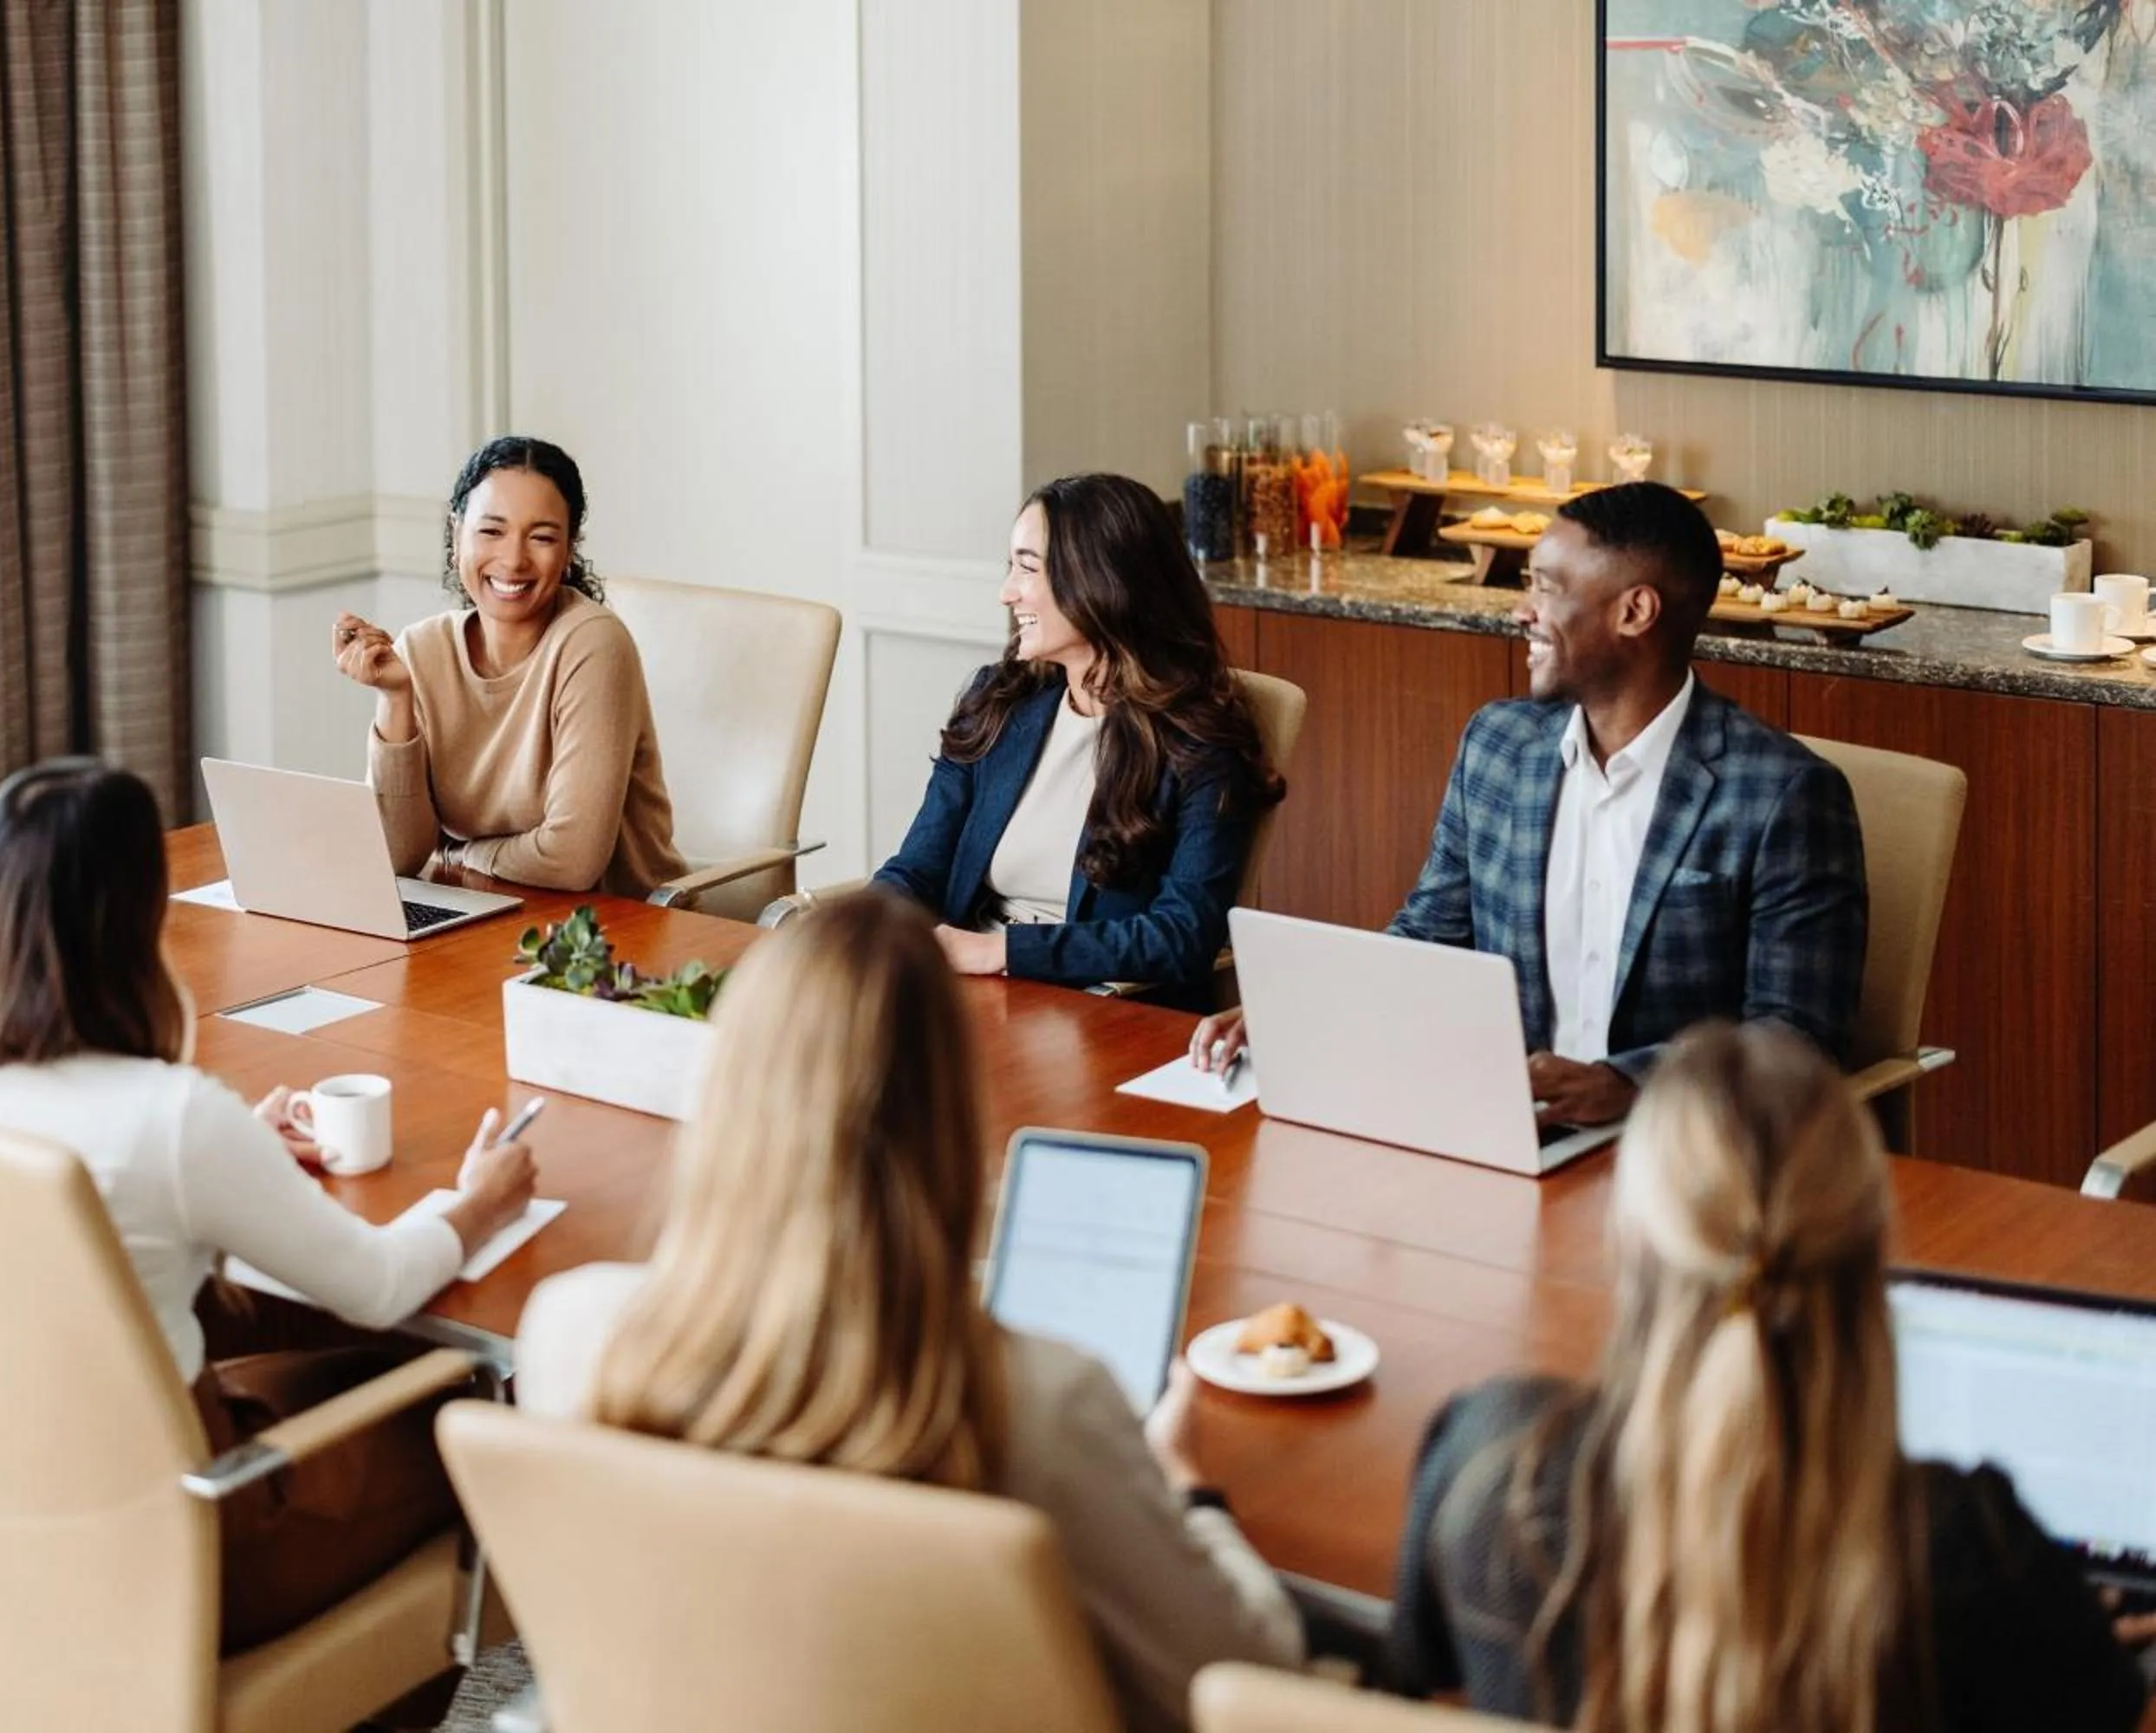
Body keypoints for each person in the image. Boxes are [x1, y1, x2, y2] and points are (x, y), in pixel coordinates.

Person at [510, 892, 1307, 1732]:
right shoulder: (1042, 1404)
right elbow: (1248, 1678)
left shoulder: (568, 1332)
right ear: (955, 1118)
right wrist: (1190, 1489)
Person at [0, 758, 538, 1655]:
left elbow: (81, 1215)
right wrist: (476, 1201)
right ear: (137, 916)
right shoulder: (168, 1119)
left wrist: (236, 1153)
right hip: (188, 1541)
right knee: (475, 1410)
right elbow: (376, 1285)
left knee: (328, 1349)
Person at [1386, 1021, 2146, 1732]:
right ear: (1871, 1249)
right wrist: (2065, 1629)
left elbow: (1410, 1669)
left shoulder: (1487, 1463)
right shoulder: (1974, 1554)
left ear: (1626, 1248)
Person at [1194, 481, 1865, 1125]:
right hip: (1505, 1127)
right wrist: (1307, 1006)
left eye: (1546, 588)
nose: (1523, 611)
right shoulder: (1499, 747)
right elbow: (1430, 939)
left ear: (1635, 611)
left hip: (1680, 1156)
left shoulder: (1783, 795)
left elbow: (1796, 1041)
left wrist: (1624, 1086)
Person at [872, 472, 1283, 1008]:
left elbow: (1183, 935)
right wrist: (862, 934)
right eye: (1010, 566)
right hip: (960, 995)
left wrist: (1003, 951)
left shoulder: (1198, 741)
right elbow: (918, 868)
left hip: (1093, 1008)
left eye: (1027, 568)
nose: (1006, 592)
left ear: (1100, 581)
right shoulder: (998, 701)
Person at [332, 434, 685, 897]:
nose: (514, 559)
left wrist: (465, 854)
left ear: (568, 549)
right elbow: (399, 858)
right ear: (457, 534)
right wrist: (396, 698)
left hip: (614, 935)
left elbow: (573, 861)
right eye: (491, 531)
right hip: (489, 916)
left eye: (541, 537)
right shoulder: (421, 649)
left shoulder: (594, 645)